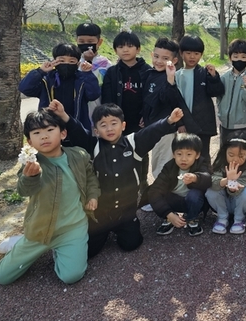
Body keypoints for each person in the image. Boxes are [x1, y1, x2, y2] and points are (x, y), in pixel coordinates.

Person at [48, 100, 183, 258]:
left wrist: (169, 121)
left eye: (114, 123)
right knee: (89, 251)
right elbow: (78, 132)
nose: (109, 128)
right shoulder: (94, 146)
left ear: (123, 125)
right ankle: (97, 232)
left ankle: (125, 228)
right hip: (100, 214)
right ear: (96, 131)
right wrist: (63, 115)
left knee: (131, 244)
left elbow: (151, 132)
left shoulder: (133, 143)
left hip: (126, 213)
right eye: (103, 125)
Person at [0, 109, 100, 285]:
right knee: (1, 277)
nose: (44, 136)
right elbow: (24, 190)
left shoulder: (79, 155)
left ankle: (60, 250)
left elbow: (90, 178)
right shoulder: (32, 163)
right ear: (30, 142)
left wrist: (93, 196)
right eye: (36, 133)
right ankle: (19, 243)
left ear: (63, 133)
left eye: (50, 130)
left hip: (73, 228)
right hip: (40, 230)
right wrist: (30, 177)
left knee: (71, 276)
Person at [18, 43, 100, 136]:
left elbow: (94, 95)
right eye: (61, 60)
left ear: (78, 63)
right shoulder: (47, 79)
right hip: (49, 127)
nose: (66, 63)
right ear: (54, 61)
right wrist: (40, 71)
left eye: (72, 61)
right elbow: (25, 88)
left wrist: (88, 74)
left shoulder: (82, 79)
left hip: (78, 127)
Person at [167, 34, 225, 164]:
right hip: (185, 123)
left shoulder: (204, 73)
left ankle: (204, 176)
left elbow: (216, 92)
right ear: (181, 53)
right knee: (185, 154)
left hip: (203, 124)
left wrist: (214, 77)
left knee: (203, 154)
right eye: (188, 53)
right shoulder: (176, 75)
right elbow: (174, 101)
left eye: (196, 53)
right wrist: (180, 123)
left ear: (201, 54)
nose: (192, 57)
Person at [148, 133, 212, 237]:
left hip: (194, 203)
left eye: (189, 154)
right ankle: (169, 218)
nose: (183, 159)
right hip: (174, 200)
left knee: (194, 195)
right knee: (158, 193)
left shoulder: (201, 164)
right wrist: (168, 213)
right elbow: (154, 191)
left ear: (197, 155)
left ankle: (192, 218)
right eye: (179, 154)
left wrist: (196, 178)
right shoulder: (169, 167)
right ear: (173, 154)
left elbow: (209, 180)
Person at [142, 37, 181, 182]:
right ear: (152, 55)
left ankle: (162, 192)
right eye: (156, 56)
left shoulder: (172, 77)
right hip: (151, 126)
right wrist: (144, 116)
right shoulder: (149, 74)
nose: (159, 61)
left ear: (174, 60)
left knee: (163, 163)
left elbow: (168, 99)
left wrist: (170, 78)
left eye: (165, 58)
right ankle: (159, 191)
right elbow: (147, 99)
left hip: (165, 128)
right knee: (155, 161)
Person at [205, 131, 246, 235]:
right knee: (210, 191)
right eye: (231, 155)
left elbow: (239, 189)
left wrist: (232, 187)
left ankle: (239, 219)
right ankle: (222, 218)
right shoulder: (220, 164)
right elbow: (212, 181)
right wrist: (227, 180)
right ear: (225, 152)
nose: (235, 159)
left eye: (241, 156)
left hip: (238, 203)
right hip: (222, 203)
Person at [101, 31, 151, 135]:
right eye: (120, 47)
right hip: (118, 121)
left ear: (138, 49)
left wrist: (147, 114)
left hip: (141, 121)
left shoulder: (148, 71)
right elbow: (107, 98)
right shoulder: (112, 72)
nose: (125, 50)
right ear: (115, 50)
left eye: (130, 46)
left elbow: (152, 96)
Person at [217, 39, 246, 143]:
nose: (239, 60)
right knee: (225, 150)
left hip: (243, 125)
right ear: (230, 58)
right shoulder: (224, 77)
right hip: (225, 124)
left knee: (242, 150)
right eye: (236, 56)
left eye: (243, 57)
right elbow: (219, 97)